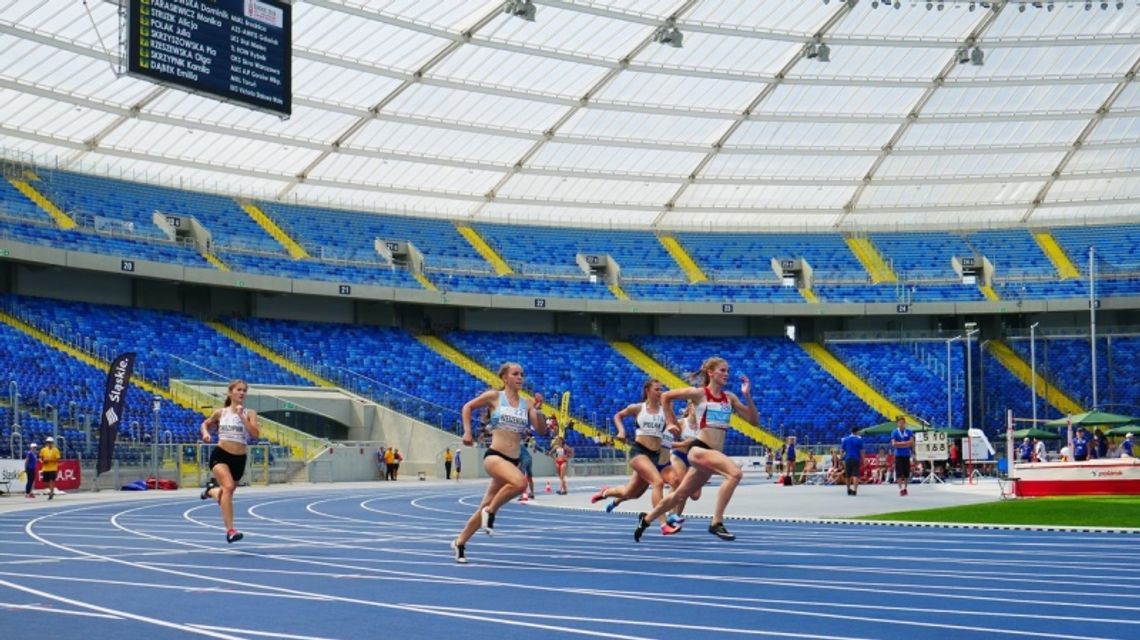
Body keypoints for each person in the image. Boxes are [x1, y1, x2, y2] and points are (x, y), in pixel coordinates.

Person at [634, 356, 758, 542]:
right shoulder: (699, 394)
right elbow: (666, 396)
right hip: (699, 449)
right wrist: (670, 422)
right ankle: (716, 522)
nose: (727, 374)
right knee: (735, 474)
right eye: (722, 370)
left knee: (680, 494)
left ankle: (646, 519)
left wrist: (747, 395)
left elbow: (754, 422)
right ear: (711, 372)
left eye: (728, 371)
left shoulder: (729, 398)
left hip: (712, 454)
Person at [452, 362, 549, 564]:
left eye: (522, 374)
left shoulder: (527, 403)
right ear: (505, 378)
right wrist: (467, 431)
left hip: (514, 460)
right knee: (520, 484)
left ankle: (460, 542)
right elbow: (467, 407)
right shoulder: (495, 397)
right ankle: (491, 512)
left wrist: (538, 412)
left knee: (484, 505)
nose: (520, 377)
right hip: (495, 455)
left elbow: (541, 431)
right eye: (515, 374)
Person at [590, 379, 681, 536]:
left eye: (662, 389)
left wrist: (672, 425)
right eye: (657, 389)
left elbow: (675, 426)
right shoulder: (638, 408)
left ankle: (606, 492)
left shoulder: (664, 409)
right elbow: (618, 416)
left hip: (654, 455)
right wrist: (621, 431)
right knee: (658, 482)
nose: (661, 392)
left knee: (631, 493)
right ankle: (663, 524)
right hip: (639, 452)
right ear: (648, 391)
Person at [199, 379, 260, 543]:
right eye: (239, 390)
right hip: (221, 454)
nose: (242, 393)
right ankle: (230, 531)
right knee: (228, 486)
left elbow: (255, 434)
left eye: (244, 390)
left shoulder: (250, 413)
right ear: (230, 392)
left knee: (226, 494)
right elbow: (205, 423)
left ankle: (210, 491)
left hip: (239, 458)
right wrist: (205, 433)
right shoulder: (221, 413)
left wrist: (242, 417)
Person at [890, 416, 915, 496]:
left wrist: (900, 444)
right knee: (899, 473)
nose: (901, 424)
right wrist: (905, 443)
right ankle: (900, 489)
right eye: (899, 422)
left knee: (906, 473)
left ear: (905, 423)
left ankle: (905, 488)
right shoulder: (895, 432)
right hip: (898, 455)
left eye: (902, 423)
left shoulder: (908, 431)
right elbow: (894, 444)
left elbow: (911, 442)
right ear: (897, 423)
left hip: (906, 454)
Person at [841, 427, 864, 496]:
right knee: (855, 475)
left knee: (848, 475)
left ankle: (848, 489)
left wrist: (841, 458)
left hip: (847, 459)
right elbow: (862, 451)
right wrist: (864, 459)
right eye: (859, 431)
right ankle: (855, 490)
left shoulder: (845, 439)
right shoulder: (859, 440)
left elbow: (842, 450)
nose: (859, 433)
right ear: (856, 432)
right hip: (856, 458)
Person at [517, 433, 535, 501]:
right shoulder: (521, 444)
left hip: (523, 460)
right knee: (529, 477)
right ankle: (532, 493)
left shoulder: (514, 445)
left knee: (522, 478)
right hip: (529, 459)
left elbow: (517, 456)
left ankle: (523, 494)